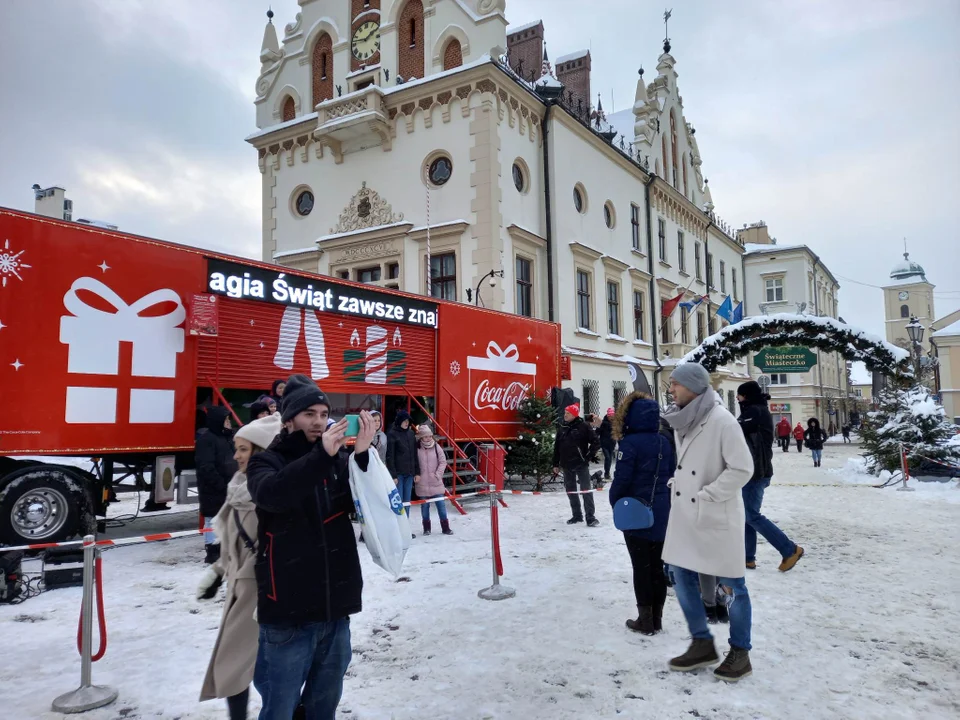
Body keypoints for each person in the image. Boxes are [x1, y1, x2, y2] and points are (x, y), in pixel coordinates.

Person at [246, 375, 375, 720]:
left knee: (324, 705)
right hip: (288, 611)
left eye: (323, 413)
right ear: (289, 419)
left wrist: (362, 456)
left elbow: (361, 503)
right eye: (308, 414)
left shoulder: (334, 460)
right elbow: (273, 495)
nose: (319, 422)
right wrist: (321, 456)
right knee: (280, 708)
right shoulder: (266, 462)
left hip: (335, 608)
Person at [660, 363, 755, 683]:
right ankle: (701, 641)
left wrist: (709, 494)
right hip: (688, 514)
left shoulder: (722, 421)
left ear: (692, 386)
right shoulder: (683, 419)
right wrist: (678, 482)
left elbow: (742, 469)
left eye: (675, 384)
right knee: (678, 571)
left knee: (734, 587)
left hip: (715, 514)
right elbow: (692, 463)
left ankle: (740, 653)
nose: (670, 389)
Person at [198, 412, 281, 720]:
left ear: (260, 451)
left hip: (259, 592)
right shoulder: (237, 487)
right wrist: (218, 572)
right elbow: (232, 541)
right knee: (247, 665)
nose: (235, 455)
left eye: (243, 449)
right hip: (239, 588)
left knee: (243, 665)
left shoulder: (265, 496)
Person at [610, 392, 675, 635]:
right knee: (657, 567)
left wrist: (615, 502)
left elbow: (621, 480)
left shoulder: (629, 444)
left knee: (641, 567)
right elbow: (669, 474)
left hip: (637, 512)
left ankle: (644, 619)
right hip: (662, 511)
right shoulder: (663, 441)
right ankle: (657, 618)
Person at [737, 381, 804, 573]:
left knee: (751, 515)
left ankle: (790, 549)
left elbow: (734, 429)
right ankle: (747, 558)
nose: (737, 398)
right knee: (745, 515)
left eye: (740, 395)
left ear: (747, 396)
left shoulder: (755, 412)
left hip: (756, 471)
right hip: (754, 470)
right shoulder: (754, 410)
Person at [196, 406, 239, 565]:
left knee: (226, 517)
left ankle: (224, 548)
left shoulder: (227, 437)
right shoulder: (207, 440)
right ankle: (212, 551)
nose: (228, 423)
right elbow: (206, 467)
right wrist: (221, 484)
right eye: (226, 420)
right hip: (213, 489)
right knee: (212, 518)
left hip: (228, 486)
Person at [553, 404, 601, 527]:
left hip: (581, 463)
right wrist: (555, 464)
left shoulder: (584, 426)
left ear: (574, 414)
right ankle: (577, 515)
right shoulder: (562, 427)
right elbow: (557, 447)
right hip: (566, 464)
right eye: (564, 413)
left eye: (567, 413)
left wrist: (588, 457)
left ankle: (590, 517)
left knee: (586, 490)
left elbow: (596, 442)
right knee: (571, 490)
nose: (565, 415)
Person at [387, 410, 420, 538]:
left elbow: (414, 455)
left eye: (408, 421)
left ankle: (405, 529)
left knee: (407, 502)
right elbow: (390, 456)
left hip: (410, 474)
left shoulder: (411, 434)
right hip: (399, 474)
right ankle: (398, 529)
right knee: (398, 502)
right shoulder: (392, 434)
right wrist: (393, 475)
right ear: (399, 421)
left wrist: (417, 472)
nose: (406, 423)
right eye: (405, 421)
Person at [416, 425, 453, 536]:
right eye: (425, 436)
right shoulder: (417, 449)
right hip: (422, 483)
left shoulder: (437, 447)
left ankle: (445, 528)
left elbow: (443, 462)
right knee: (425, 507)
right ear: (421, 437)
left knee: (441, 506)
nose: (428, 438)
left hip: (436, 482)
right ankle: (426, 528)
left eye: (429, 436)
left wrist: (438, 474)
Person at [599, 408, 617, 480]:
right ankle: (606, 474)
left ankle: (607, 473)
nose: (611, 417)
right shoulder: (603, 423)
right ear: (607, 415)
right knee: (608, 458)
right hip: (604, 443)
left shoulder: (615, 423)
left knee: (610, 459)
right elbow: (598, 431)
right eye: (610, 416)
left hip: (612, 444)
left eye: (612, 416)